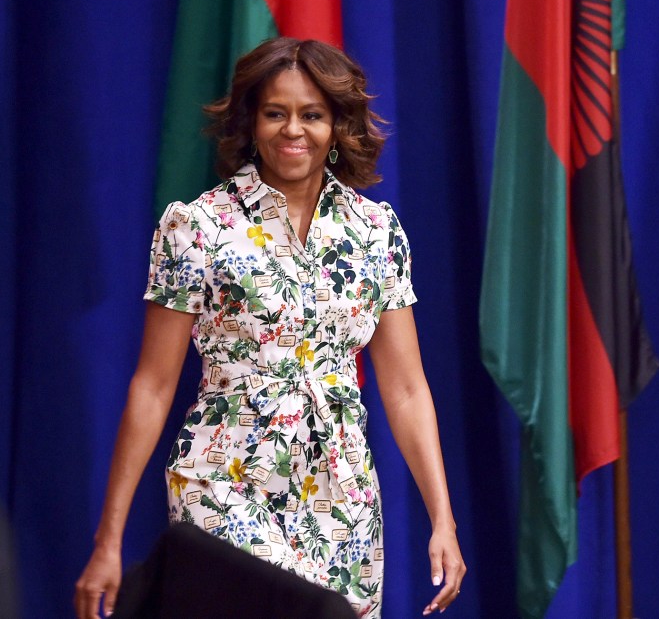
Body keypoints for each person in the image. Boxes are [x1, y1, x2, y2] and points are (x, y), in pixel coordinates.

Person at [75, 37, 465, 618]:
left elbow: (406, 387)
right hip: (223, 482)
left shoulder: (376, 230)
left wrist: (443, 518)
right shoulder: (197, 226)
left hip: (342, 494)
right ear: (251, 122)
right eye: (275, 113)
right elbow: (152, 386)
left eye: (311, 115)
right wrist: (109, 540)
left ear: (337, 124)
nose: (293, 131)